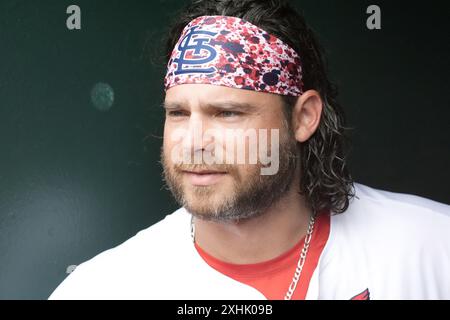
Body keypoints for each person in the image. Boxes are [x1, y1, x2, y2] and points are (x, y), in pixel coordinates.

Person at [49, 0, 450, 300]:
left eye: (227, 113)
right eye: (178, 113)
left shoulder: (433, 249)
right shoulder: (100, 289)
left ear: (304, 117)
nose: (194, 142)